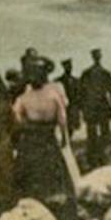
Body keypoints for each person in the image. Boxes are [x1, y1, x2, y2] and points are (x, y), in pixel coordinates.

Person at [12, 56, 74, 200]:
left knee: (33, 172)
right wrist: (64, 138)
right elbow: (62, 119)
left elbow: (16, 119)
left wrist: (27, 125)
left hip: (32, 139)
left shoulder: (23, 98)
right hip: (49, 137)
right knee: (54, 169)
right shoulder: (53, 95)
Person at [80, 48, 111, 166]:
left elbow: (82, 93)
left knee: (94, 134)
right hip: (100, 107)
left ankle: (95, 159)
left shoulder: (88, 73)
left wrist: (83, 108)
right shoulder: (104, 73)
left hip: (94, 107)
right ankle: (101, 158)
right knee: (101, 133)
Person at [57, 58, 82, 133]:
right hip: (63, 107)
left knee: (72, 127)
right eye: (67, 66)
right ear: (64, 67)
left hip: (73, 107)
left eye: (70, 66)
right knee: (64, 126)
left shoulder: (76, 81)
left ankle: (68, 141)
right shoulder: (59, 81)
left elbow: (80, 94)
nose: (69, 68)